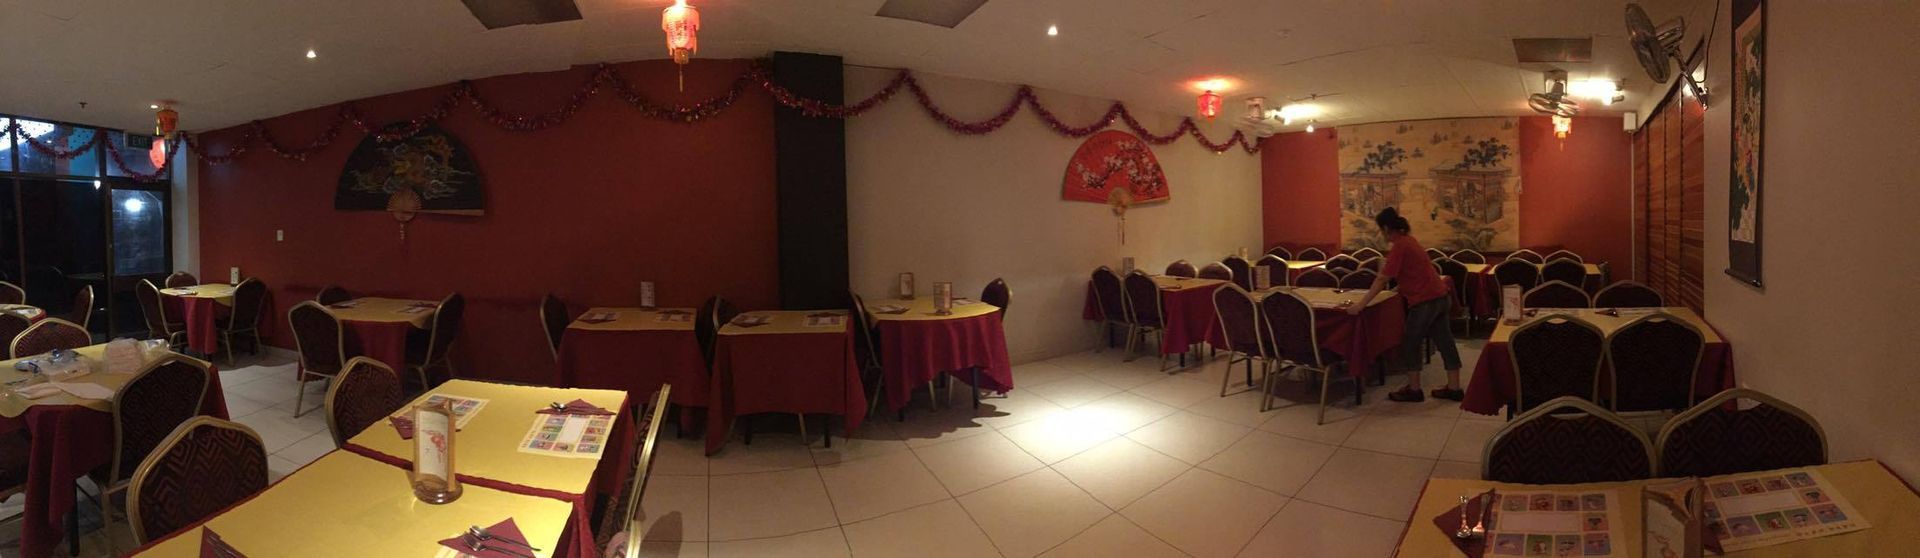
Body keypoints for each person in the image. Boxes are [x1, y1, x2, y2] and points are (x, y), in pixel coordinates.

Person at [1349, 207, 1462, 402]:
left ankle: (1414, 389)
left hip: (1425, 302)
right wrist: (1397, 290)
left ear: (1385, 228)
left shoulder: (1400, 246)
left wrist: (1361, 304)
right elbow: (1414, 273)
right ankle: (1454, 388)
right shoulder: (1410, 241)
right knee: (1445, 342)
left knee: (1410, 344)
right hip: (1441, 297)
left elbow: (1381, 279)